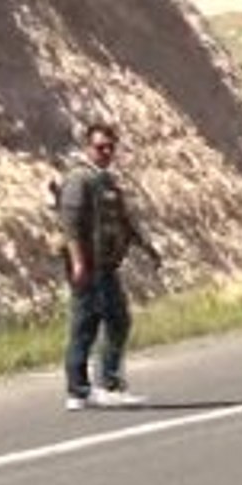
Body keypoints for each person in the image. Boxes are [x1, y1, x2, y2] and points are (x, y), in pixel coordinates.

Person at [58, 120, 163, 410]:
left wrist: (147, 248)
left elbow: (123, 222)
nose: (105, 152)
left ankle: (94, 387)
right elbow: (70, 224)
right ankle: (90, 388)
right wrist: (79, 262)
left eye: (110, 147)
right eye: (99, 147)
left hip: (105, 265)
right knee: (91, 324)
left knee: (110, 321)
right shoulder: (79, 179)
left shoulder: (106, 181)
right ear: (87, 147)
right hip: (88, 266)